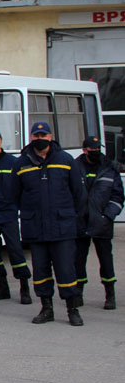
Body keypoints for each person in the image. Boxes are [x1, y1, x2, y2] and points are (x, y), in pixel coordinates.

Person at [12, 122, 86, 326]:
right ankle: (46, 309)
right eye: (36, 136)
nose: (40, 139)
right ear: (31, 138)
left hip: (62, 228)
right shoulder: (21, 163)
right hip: (35, 228)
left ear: (51, 136)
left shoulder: (65, 160)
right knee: (41, 272)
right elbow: (15, 194)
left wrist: (71, 217)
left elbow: (79, 194)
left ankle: (72, 310)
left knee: (66, 271)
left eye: (43, 135)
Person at [0, 129, 32, 304]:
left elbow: (20, 188)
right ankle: (1, 286)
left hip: (8, 212)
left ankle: (24, 287)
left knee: (15, 250)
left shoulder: (13, 163)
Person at [74, 136, 124, 310]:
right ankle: (78, 293)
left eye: (97, 149)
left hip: (101, 222)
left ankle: (110, 294)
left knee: (106, 260)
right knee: (78, 260)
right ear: (84, 150)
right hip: (80, 222)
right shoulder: (74, 167)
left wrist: (107, 216)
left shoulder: (109, 168)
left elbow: (118, 196)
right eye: (92, 150)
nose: (96, 152)